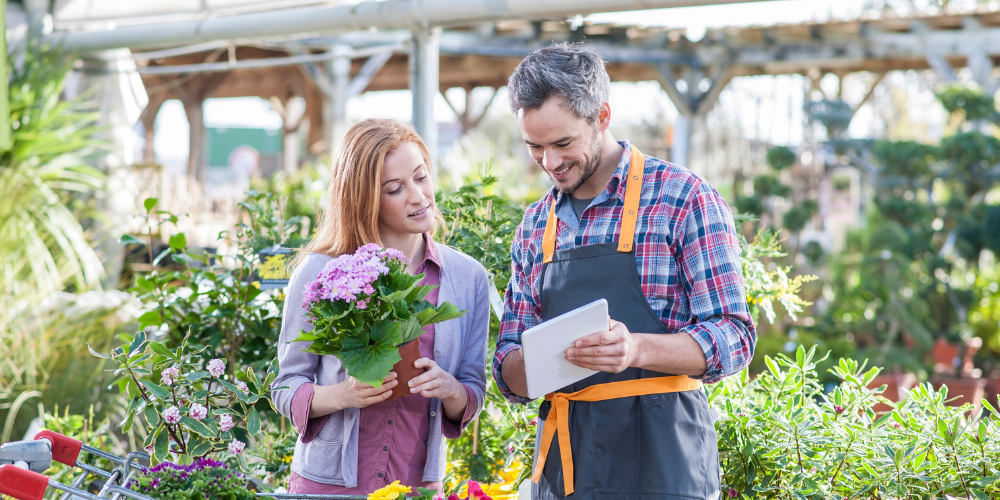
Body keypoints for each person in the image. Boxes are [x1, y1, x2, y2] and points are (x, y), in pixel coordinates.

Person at [493, 43, 757, 499]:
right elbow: (508, 368)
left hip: (666, 463)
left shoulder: (683, 199)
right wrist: (529, 363)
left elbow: (735, 337)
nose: (550, 162)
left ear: (601, 117)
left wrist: (633, 348)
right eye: (535, 147)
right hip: (567, 469)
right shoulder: (536, 226)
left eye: (562, 143)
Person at [271, 118, 490, 495]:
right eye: (395, 189)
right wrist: (343, 394)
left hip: (417, 486)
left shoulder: (468, 278)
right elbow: (285, 388)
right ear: (364, 198)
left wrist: (450, 388)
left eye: (421, 177)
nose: (418, 196)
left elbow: (472, 393)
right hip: (328, 488)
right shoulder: (321, 272)